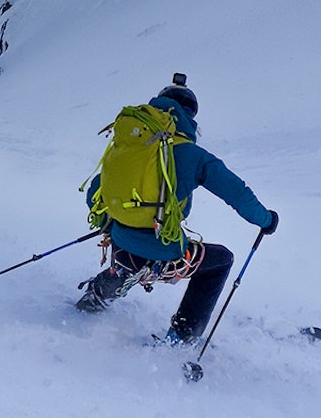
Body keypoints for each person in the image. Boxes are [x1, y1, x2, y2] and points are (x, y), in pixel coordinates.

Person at [75, 74, 279, 345]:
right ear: (190, 116)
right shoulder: (190, 154)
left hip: (121, 236)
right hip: (163, 246)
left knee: (129, 257)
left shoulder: (127, 144)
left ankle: (100, 292)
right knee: (220, 261)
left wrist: (111, 225)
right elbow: (236, 193)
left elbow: (95, 194)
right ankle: (181, 337)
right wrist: (266, 220)